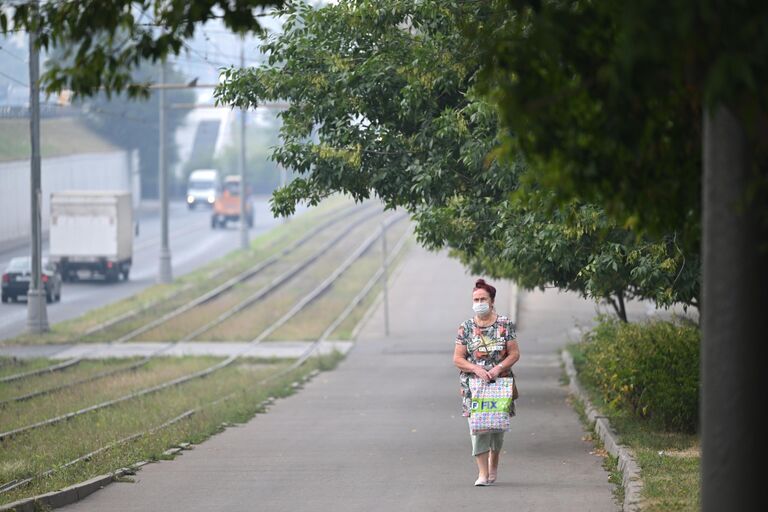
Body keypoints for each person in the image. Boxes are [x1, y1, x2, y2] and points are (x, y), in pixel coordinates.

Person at [453, 278, 520, 486]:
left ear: (491, 301)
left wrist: (498, 368)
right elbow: (458, 358)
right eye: (476, 299)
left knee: (496, 430)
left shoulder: (504, 324)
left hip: (499, 386)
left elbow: (514, 353)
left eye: (483, 298)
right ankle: (482, 473)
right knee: (479, 429)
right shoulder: (466, 328)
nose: (479, 302)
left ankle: (494, 464)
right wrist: (476, 369)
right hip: (474, 387)